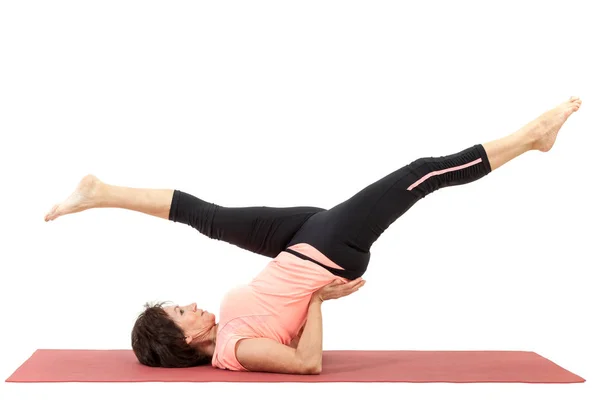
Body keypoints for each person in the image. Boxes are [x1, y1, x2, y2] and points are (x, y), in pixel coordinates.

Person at [44, 97, 582, 375]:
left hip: (297, 241)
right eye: (181, 314)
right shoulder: (235, 348)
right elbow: (306, 364)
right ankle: (532, 138)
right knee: (418, 174)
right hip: (326, 254)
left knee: (207, 215)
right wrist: (321, 300)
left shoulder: (227, 325)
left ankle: (101, 192)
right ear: (184, 339)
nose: (188, 305)